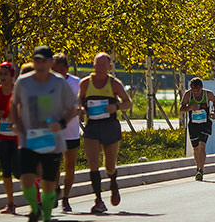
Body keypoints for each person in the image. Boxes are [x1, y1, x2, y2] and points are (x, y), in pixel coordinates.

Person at [10, 46, 78, 222]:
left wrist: (61, 123)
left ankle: (46, 215)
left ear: (50, 63)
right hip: (29, 138)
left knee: (49, 184)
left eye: (43, 61)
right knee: (26, 178)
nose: (39, 64)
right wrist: (16, 124)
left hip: (52, 139)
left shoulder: (59, 83)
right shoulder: (23, 82)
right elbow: (13, 104)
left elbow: (73, 108)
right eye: (36, 60)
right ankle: (34, 209)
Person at [79, 52, 132, 214]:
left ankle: (113, 183)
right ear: (93, 65)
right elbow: (79, 101)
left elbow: (128, 103)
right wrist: (80, 109)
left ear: (110, 67)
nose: (100, 68)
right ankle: (98, 200)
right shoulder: (85, 83)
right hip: (92, 126)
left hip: (110, 126)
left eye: (104, 65)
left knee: (109, 165)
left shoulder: (115, 84)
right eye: (97, 64)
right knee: (93, 164)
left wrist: (115, 107)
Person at [0, 62, 20, 215]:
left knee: (19, 171)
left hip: (18, 137)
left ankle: (39, 192)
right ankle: (10, 203)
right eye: (0, 74)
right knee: (6, 170)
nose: (2, 78)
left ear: (12, 75)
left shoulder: (19, 93)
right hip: (1, 136)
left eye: (5, 75)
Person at [51, 54, 80, 213]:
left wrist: (75, 113)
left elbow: (79, 104)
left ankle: (66, 198)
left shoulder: (75, 82)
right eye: (55, 70)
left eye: (61, 70)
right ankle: (55, 188)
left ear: (67, 69)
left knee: (70, 166)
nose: (58, 74)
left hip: (71, 131)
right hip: (54, 132)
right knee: (54, 165)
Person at [179, 76, 215, 180]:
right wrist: (190, 107)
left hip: (205, 123)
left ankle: (201, 169)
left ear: (201, 88)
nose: (196, 92)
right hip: (193, 124)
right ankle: (198, 167)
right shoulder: (188, 94)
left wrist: (214, 111)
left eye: (198, 90)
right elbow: (181, 108)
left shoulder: (207, 94)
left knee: (202, 145)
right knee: (196, 148)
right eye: (193, 89)